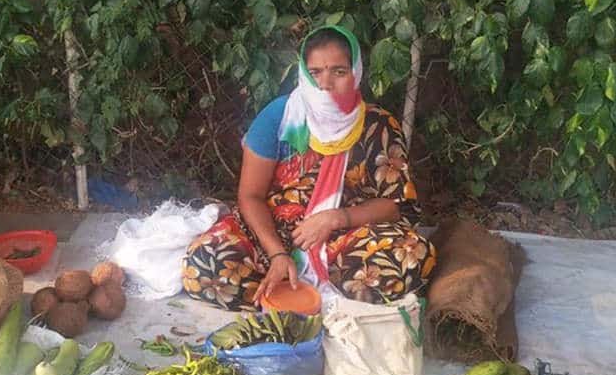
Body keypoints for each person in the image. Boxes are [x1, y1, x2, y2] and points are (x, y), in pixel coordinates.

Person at [182, 25, 437, 311]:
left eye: (338, 71)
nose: (325, 83)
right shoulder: (280, 117)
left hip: (345, 238)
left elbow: (393, 206)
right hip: (273, 236)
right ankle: (299, 294)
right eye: (315, 72)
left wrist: (334, 218)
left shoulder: (378, 126)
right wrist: (278, 254)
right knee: (204, 263)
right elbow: (250, 196)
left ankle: (298, 296)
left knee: (412, 255)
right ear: (304, 73)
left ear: (356, 72)